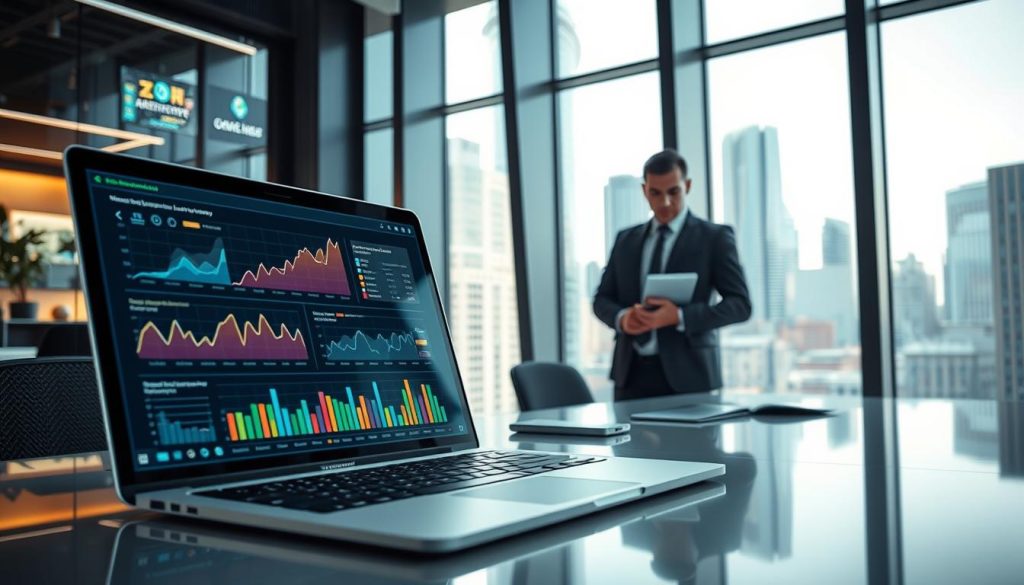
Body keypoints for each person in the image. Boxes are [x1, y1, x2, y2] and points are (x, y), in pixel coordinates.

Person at [593, 149, 751, 400]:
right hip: (630, 377)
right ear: (645, 191)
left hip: (691, 376)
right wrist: (623, 318)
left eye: (673, 192)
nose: (665, 202)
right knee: (628, 441)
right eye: (655, 193)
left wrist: (678, 316)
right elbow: (601, 300)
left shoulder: (715, 238)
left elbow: (740, 306)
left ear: (687, 186)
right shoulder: (625, 240)